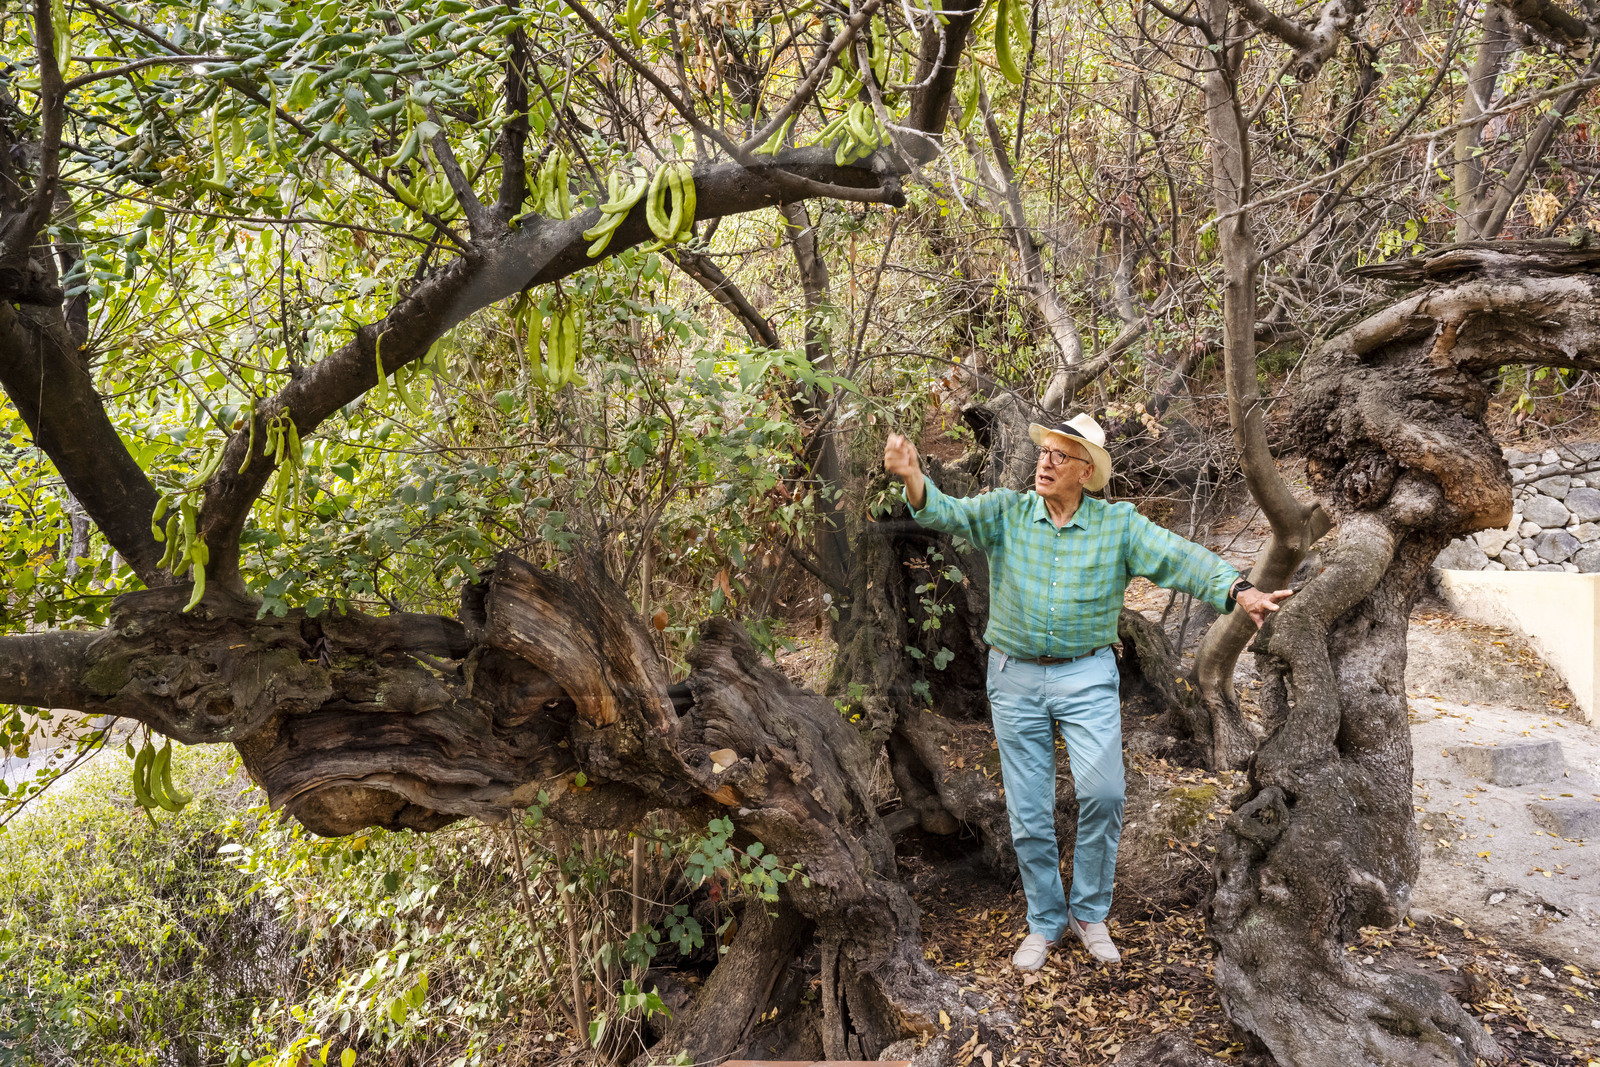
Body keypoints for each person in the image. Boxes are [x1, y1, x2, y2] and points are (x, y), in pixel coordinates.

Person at [882, 413, 1292, 972]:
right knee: (1029, 810)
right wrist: (912, 476)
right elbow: (945, 512)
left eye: (1059, 455)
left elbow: (1180, 557)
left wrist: (1239, 589)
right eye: (1043, 452)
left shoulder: (1118, 525)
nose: (1044, 463)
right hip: (1014, 676)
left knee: (1104, 794)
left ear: (1086, 470)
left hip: (1087, 675)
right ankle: (1045, 920)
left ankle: (1089, 914)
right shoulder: (1007, 511)